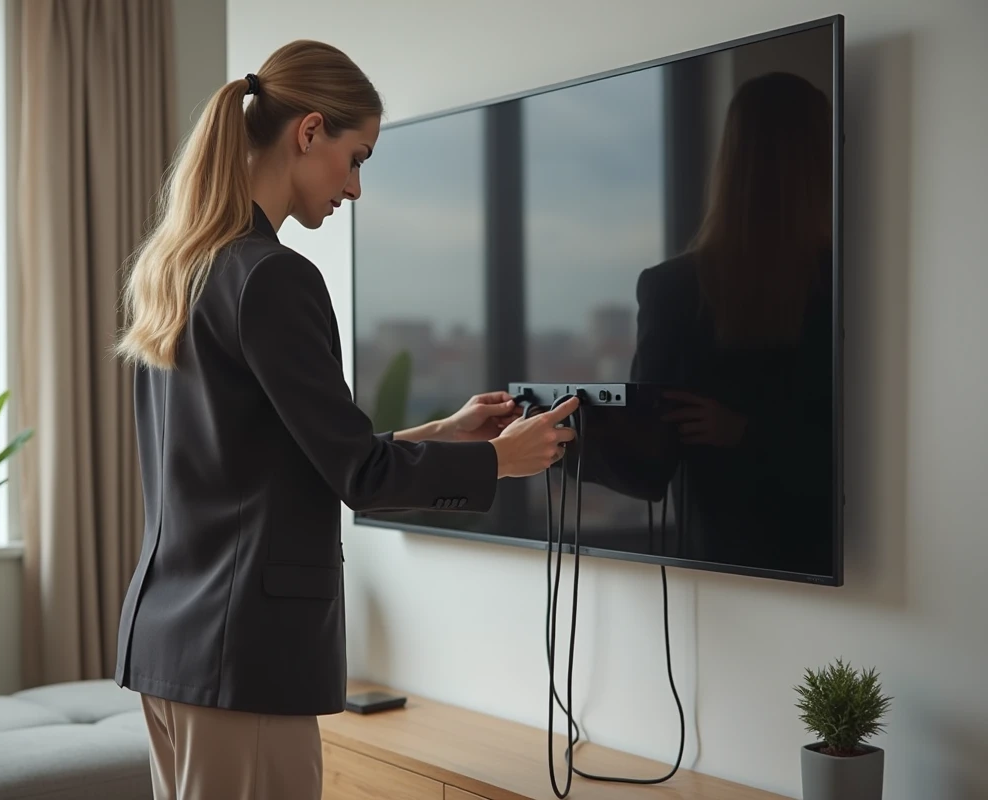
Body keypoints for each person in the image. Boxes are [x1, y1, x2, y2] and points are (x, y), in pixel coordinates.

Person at [112, 40, 579, 800]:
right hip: (244, 658)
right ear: (309, 132)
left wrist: (440, 433)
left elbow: (272, 455)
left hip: (170, 642)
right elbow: (358, 477)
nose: (356, 188)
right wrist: (501, 461)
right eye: (355, 158)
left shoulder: (180, 269)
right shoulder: (273, 277)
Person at [629, 71, 834, 573]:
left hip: (723, 562)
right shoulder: (850, 282)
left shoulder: (672, 289)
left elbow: (644, 459)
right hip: (831, 553)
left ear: (730, 160)